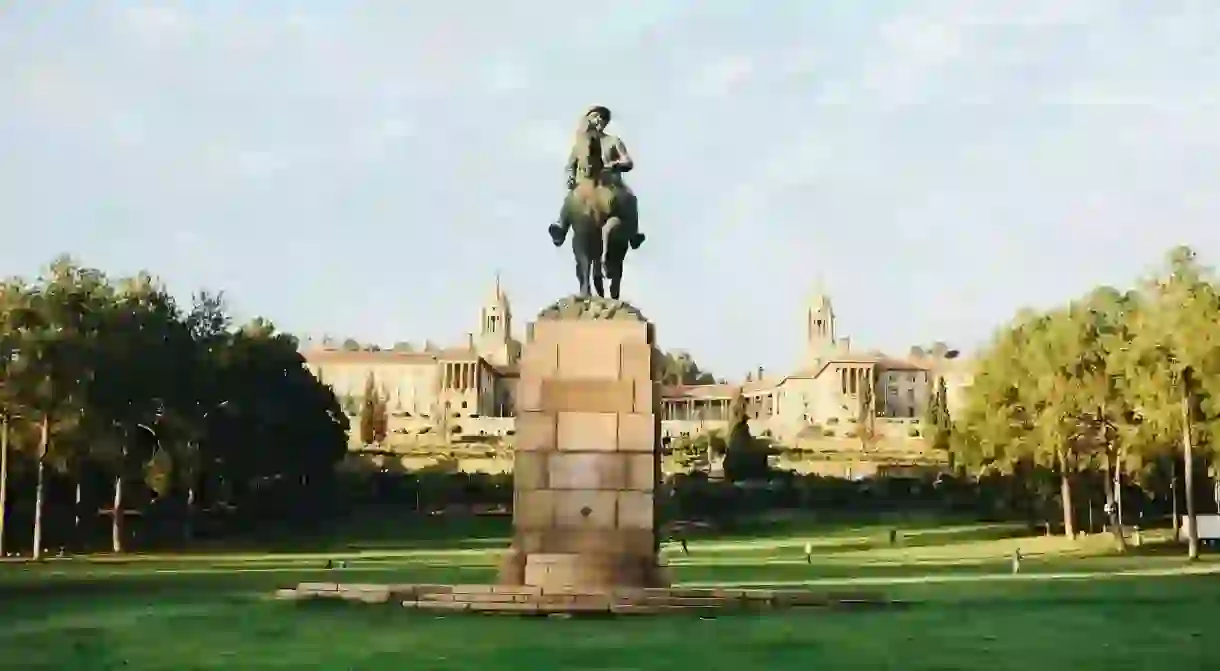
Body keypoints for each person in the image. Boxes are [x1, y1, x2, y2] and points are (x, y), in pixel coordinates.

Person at [548, 105, 646, 250]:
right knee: (571, 198)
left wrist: (616, 164)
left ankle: (633, 234)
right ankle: (561, 227)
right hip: (586, 184)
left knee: (630, 198)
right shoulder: (580, 145)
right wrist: (570, 178)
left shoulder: (613, 141)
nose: (599, 120)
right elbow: (570, 165)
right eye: (595, 116)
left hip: (610, 183)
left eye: (603, 118)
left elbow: (628, 161)